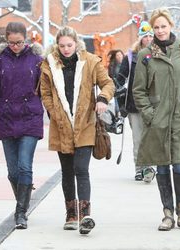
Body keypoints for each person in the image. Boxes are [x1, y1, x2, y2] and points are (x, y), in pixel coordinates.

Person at [133, 8, 180, 231]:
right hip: (158, 121)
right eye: (156, 27)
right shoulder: (145, 56)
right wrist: (150, 114)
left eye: (164, 26)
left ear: (171, 26)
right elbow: (138, 91)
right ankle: (167, 213)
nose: (160, 30)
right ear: (151, 29)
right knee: (162, 168)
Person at [40, 26, 114, 235]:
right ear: (57, 46)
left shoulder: (90, 61)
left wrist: (102, 99)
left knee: (81, 169)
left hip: (85, 123)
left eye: (69, 45)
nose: (65, 49)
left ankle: (85, 216)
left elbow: (108, 83)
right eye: (62, 46)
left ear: (76, 43)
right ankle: (71, 214)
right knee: (67, 171)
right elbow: (44, 92)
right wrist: (53, 111)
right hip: (61, 124)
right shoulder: (49, 64)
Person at [0, 22, 44, 229]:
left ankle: (21, 212)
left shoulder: (37, 60)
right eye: (11, 43)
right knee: (13, 172)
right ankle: (23, 199)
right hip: (7, 119)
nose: (15, 46)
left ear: (26, 39)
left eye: (19, 42)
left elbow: (47, 92)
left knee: (25, 166)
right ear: (6, 41)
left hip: (30, 118)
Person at [116, 21, 155, 182]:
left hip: (154, 104)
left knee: (152, 138)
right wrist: (121, 104)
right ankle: (140, 168)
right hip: (134, 105)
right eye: (145, 36)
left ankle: (150, 167)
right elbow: (119, 81)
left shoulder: (159, 55)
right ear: (140, 38)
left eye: (151, 35)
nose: (148, 38)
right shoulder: (131, 56)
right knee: (139, 138)